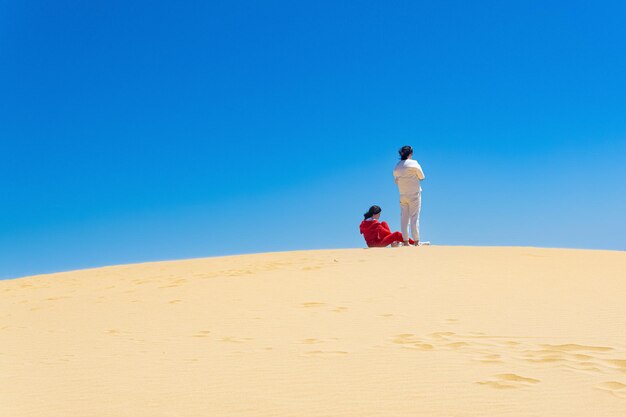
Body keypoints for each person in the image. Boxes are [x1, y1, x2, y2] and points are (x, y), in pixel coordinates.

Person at [393, 145, 425, 246]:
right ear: (410, 153)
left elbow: (396, 180)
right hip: (414, 194)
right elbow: (422, 176)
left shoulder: (397, 166)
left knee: (404, 218)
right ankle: (416, 241)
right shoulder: (413, 163)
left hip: (403, 195)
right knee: (414, 218)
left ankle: (406, 242)